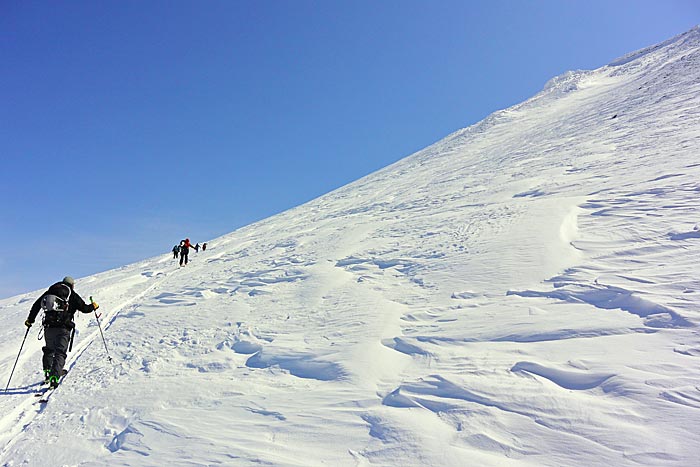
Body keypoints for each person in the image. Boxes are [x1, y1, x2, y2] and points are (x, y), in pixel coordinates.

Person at [24, 276, 99, 388]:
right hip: (63, 328)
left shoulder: (50, 292)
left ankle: (47, 373)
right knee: (60, 352)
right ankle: (55, 377)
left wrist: (30, 321)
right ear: (72, 285)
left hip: (48, 327)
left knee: (49, 350)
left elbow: (36, 305)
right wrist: (93, 306)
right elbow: (84, 308)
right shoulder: (71, 294)